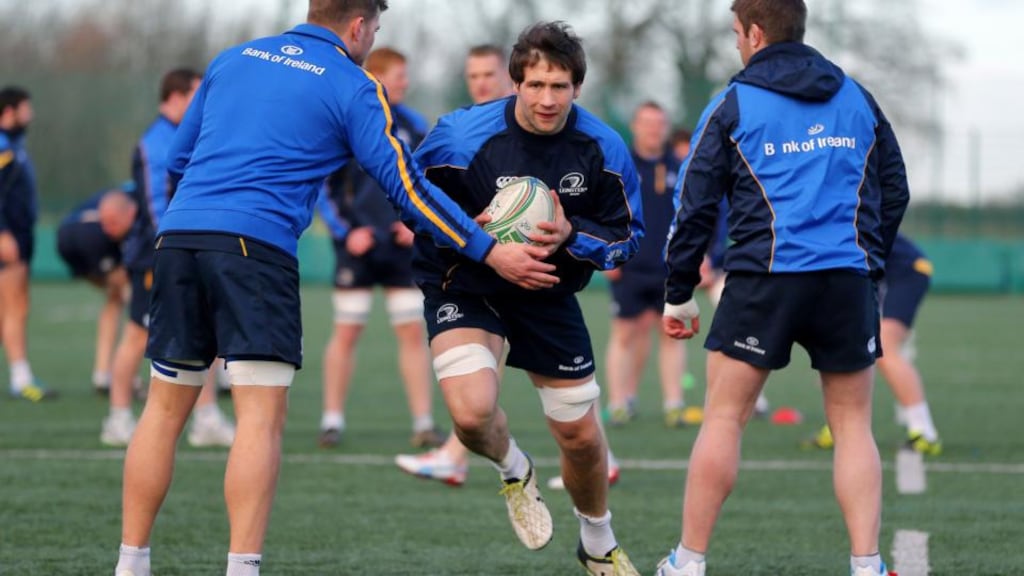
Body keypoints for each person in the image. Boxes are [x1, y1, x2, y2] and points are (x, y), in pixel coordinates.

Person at [113, 1, 555, 574]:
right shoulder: (354, 83)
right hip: (255, 250)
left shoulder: (231, 59)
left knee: (165, 408)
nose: (373, 39)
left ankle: (130, 563)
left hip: (178, 238)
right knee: (259, 418)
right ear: (358, 25)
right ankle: (241, 568)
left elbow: (178, 157)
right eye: (376, 28)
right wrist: (490, 250)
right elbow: (407, 188)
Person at [654, 1, 909, 575]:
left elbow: (692, 206)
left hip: (762, 281)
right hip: (845, 281)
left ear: (756, 32)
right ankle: (866, 567)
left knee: (723, 418)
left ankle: (688, 564)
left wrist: (677, 292)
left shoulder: (734, 101)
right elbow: (895, 191)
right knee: (852, 427)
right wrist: (866, 261)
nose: (735, 44)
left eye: (736, 34)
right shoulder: (856, 96)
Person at [408, 21, 643, 575]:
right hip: (466, 282)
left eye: (559, 86)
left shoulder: (602, 150)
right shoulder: (460, 139)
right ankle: (515, 470)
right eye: (535, 85)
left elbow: (629, 237)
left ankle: (597, 541)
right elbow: (414, 202)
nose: (546, 98)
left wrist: (571, 237)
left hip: (546, 289)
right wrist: (477, 238)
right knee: (471, 414)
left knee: (581, 438)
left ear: (577, 89)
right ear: (514, 84)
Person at [316, 46, 444, 450]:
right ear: (380, 75)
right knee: (347, 331)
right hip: (357, 245)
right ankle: (332, 420)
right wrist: (346, 231)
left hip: (400, 245)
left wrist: (417, 224)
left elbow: (428, 178)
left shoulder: (413, 123)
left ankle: (423, 423)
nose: (406, 82)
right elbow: (324, 186)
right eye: (401, 74)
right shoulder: (348, 118)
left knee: (411, 332)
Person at [101, 68, 236, 449]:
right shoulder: (156, 142)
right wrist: (173, 250)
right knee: (137, 336)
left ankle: (206, 419)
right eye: (197, 95)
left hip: (187, 252)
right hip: (157, 255)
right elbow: (155, 204)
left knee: (205, 333)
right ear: (176, 96)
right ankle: (117, 417)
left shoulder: (184, 136)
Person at [604, 102, 702, 429]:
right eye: (647, 123)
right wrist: (607, 255)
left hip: (670, 268)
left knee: (671, 334)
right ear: (634, 126)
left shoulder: (681, 166)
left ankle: (674, 404)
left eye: (659, 123)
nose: (653, 129)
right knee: (624, 334)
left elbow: (696, 214)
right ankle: (618, 403)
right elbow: (601, 212)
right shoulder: (619, 165)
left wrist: (699, 258)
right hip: (628, 265)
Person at [806, 233, 942, 455]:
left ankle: (924, 431)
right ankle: (836, 426)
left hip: (906, 271)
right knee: (845, 346)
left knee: (886, 348)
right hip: (874, 274)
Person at [0, 86, 54, 401]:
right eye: (25, 108)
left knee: (7, 310)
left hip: (19, 234)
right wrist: (3, 232)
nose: (30, 115)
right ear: (10, 111)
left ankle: (20, 375)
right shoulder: (4, 146)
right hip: (9, 237)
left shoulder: (14, 144)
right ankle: (21, 379)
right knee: (16, 307)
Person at [57, 185, 136, 393]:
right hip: (89, 235)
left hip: (65, 233)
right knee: (131, 301)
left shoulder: (128, 188)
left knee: (115, 299)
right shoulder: (138, 195)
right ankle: (125, 374)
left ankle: (102, 374)